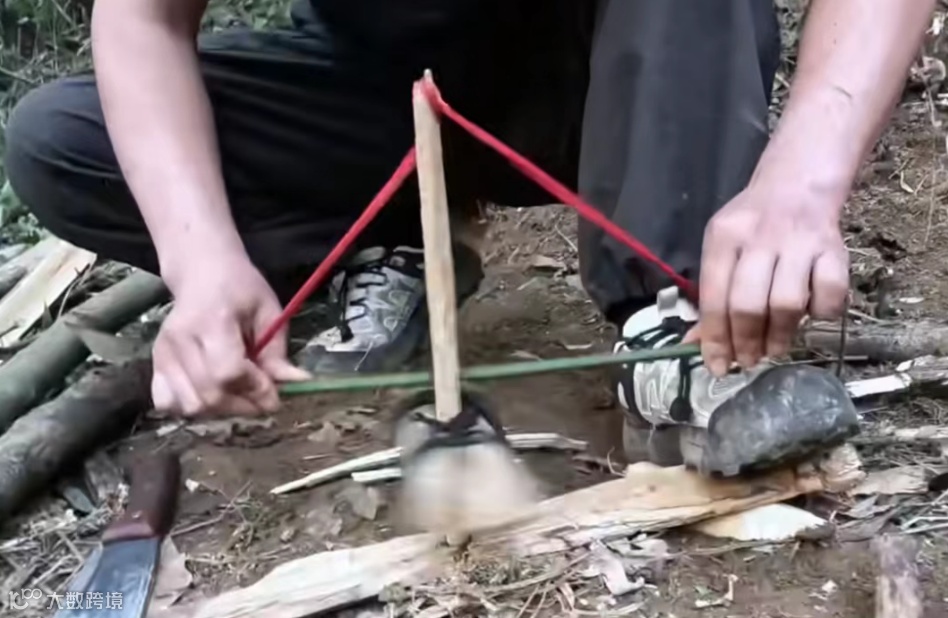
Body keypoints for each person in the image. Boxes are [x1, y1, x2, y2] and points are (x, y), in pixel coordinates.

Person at [3, 0, 935, 468]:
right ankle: (390, 241)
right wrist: (203, 262)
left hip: (617, 78)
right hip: (386, 107)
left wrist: (801, 180)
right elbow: (142, 18)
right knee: (65, 142)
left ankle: (677, 316)